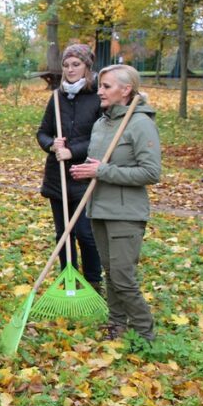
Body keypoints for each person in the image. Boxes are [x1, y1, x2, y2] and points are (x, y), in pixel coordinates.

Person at [69, 64, 161, 342]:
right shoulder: (101, 123)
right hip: (99, 209)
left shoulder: (140, 123)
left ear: (126, 90)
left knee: (123, 277)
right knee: (111, 274)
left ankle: (146, 333)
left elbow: (151, 172)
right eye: (100, 86)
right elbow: (98, 165)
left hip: (126, 213)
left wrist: (101, 171)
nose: (100, 91)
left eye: (107, 86)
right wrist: (86, 172)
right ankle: (117, 324)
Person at [36, 43, 103, 291]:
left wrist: (72, 151)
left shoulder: (98, 97)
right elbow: (42, 132)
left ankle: (94, 282)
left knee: (86, 233)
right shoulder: (56, 98)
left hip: (84, 176)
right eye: (66, 65)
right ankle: (69, 280)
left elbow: (99, 138)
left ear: (87, 66)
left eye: (76, 64)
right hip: (57, 177)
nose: (70, 69)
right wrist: (52, 145)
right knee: (64, 235)